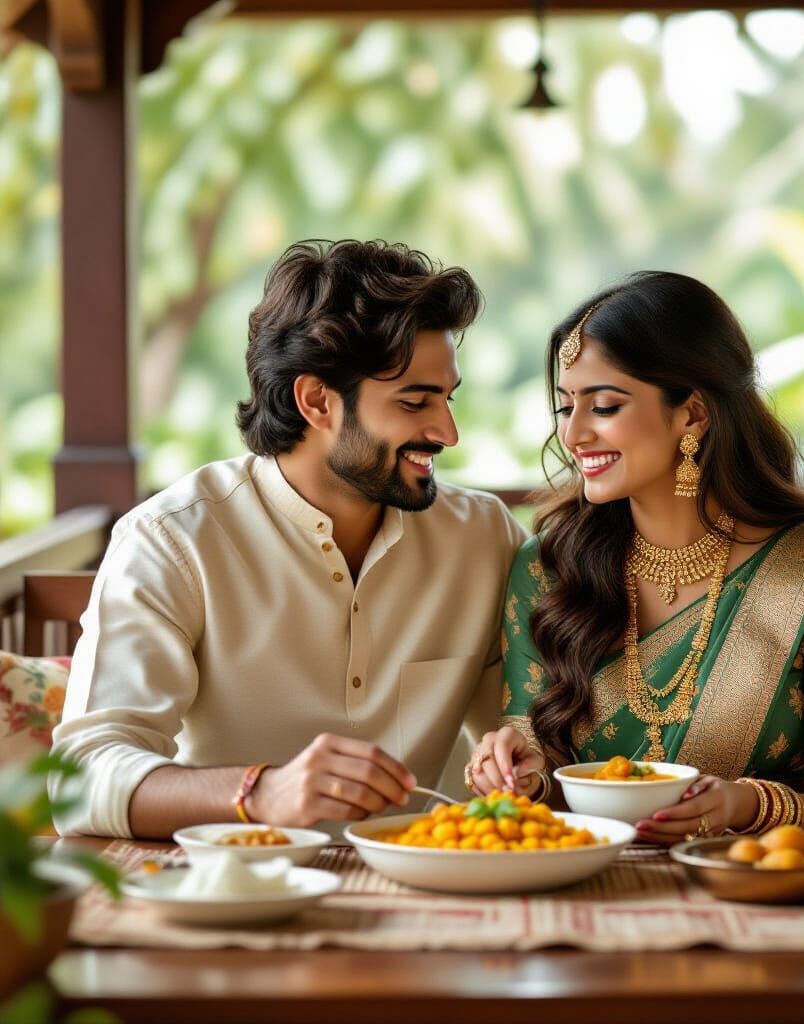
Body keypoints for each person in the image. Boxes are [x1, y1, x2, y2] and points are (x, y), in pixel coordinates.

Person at [52, 239, 526, 838]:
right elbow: (78, 781)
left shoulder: (482, 538)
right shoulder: (173, 541)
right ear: (316, 401)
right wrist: (261, 791)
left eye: (447, 399)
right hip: (236, 893)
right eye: (415, 402)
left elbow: (528, 735)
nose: (447, 432)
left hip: (430, 888)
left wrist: (524, 761)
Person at [467, 271, 804, 840]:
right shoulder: (549, 569)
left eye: (602, 406)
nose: (573, 435)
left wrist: (745, 807)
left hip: (761, 892)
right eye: (565, 406)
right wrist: (513, 773)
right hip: (590, 887)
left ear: (692, 415)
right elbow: (542, 778)